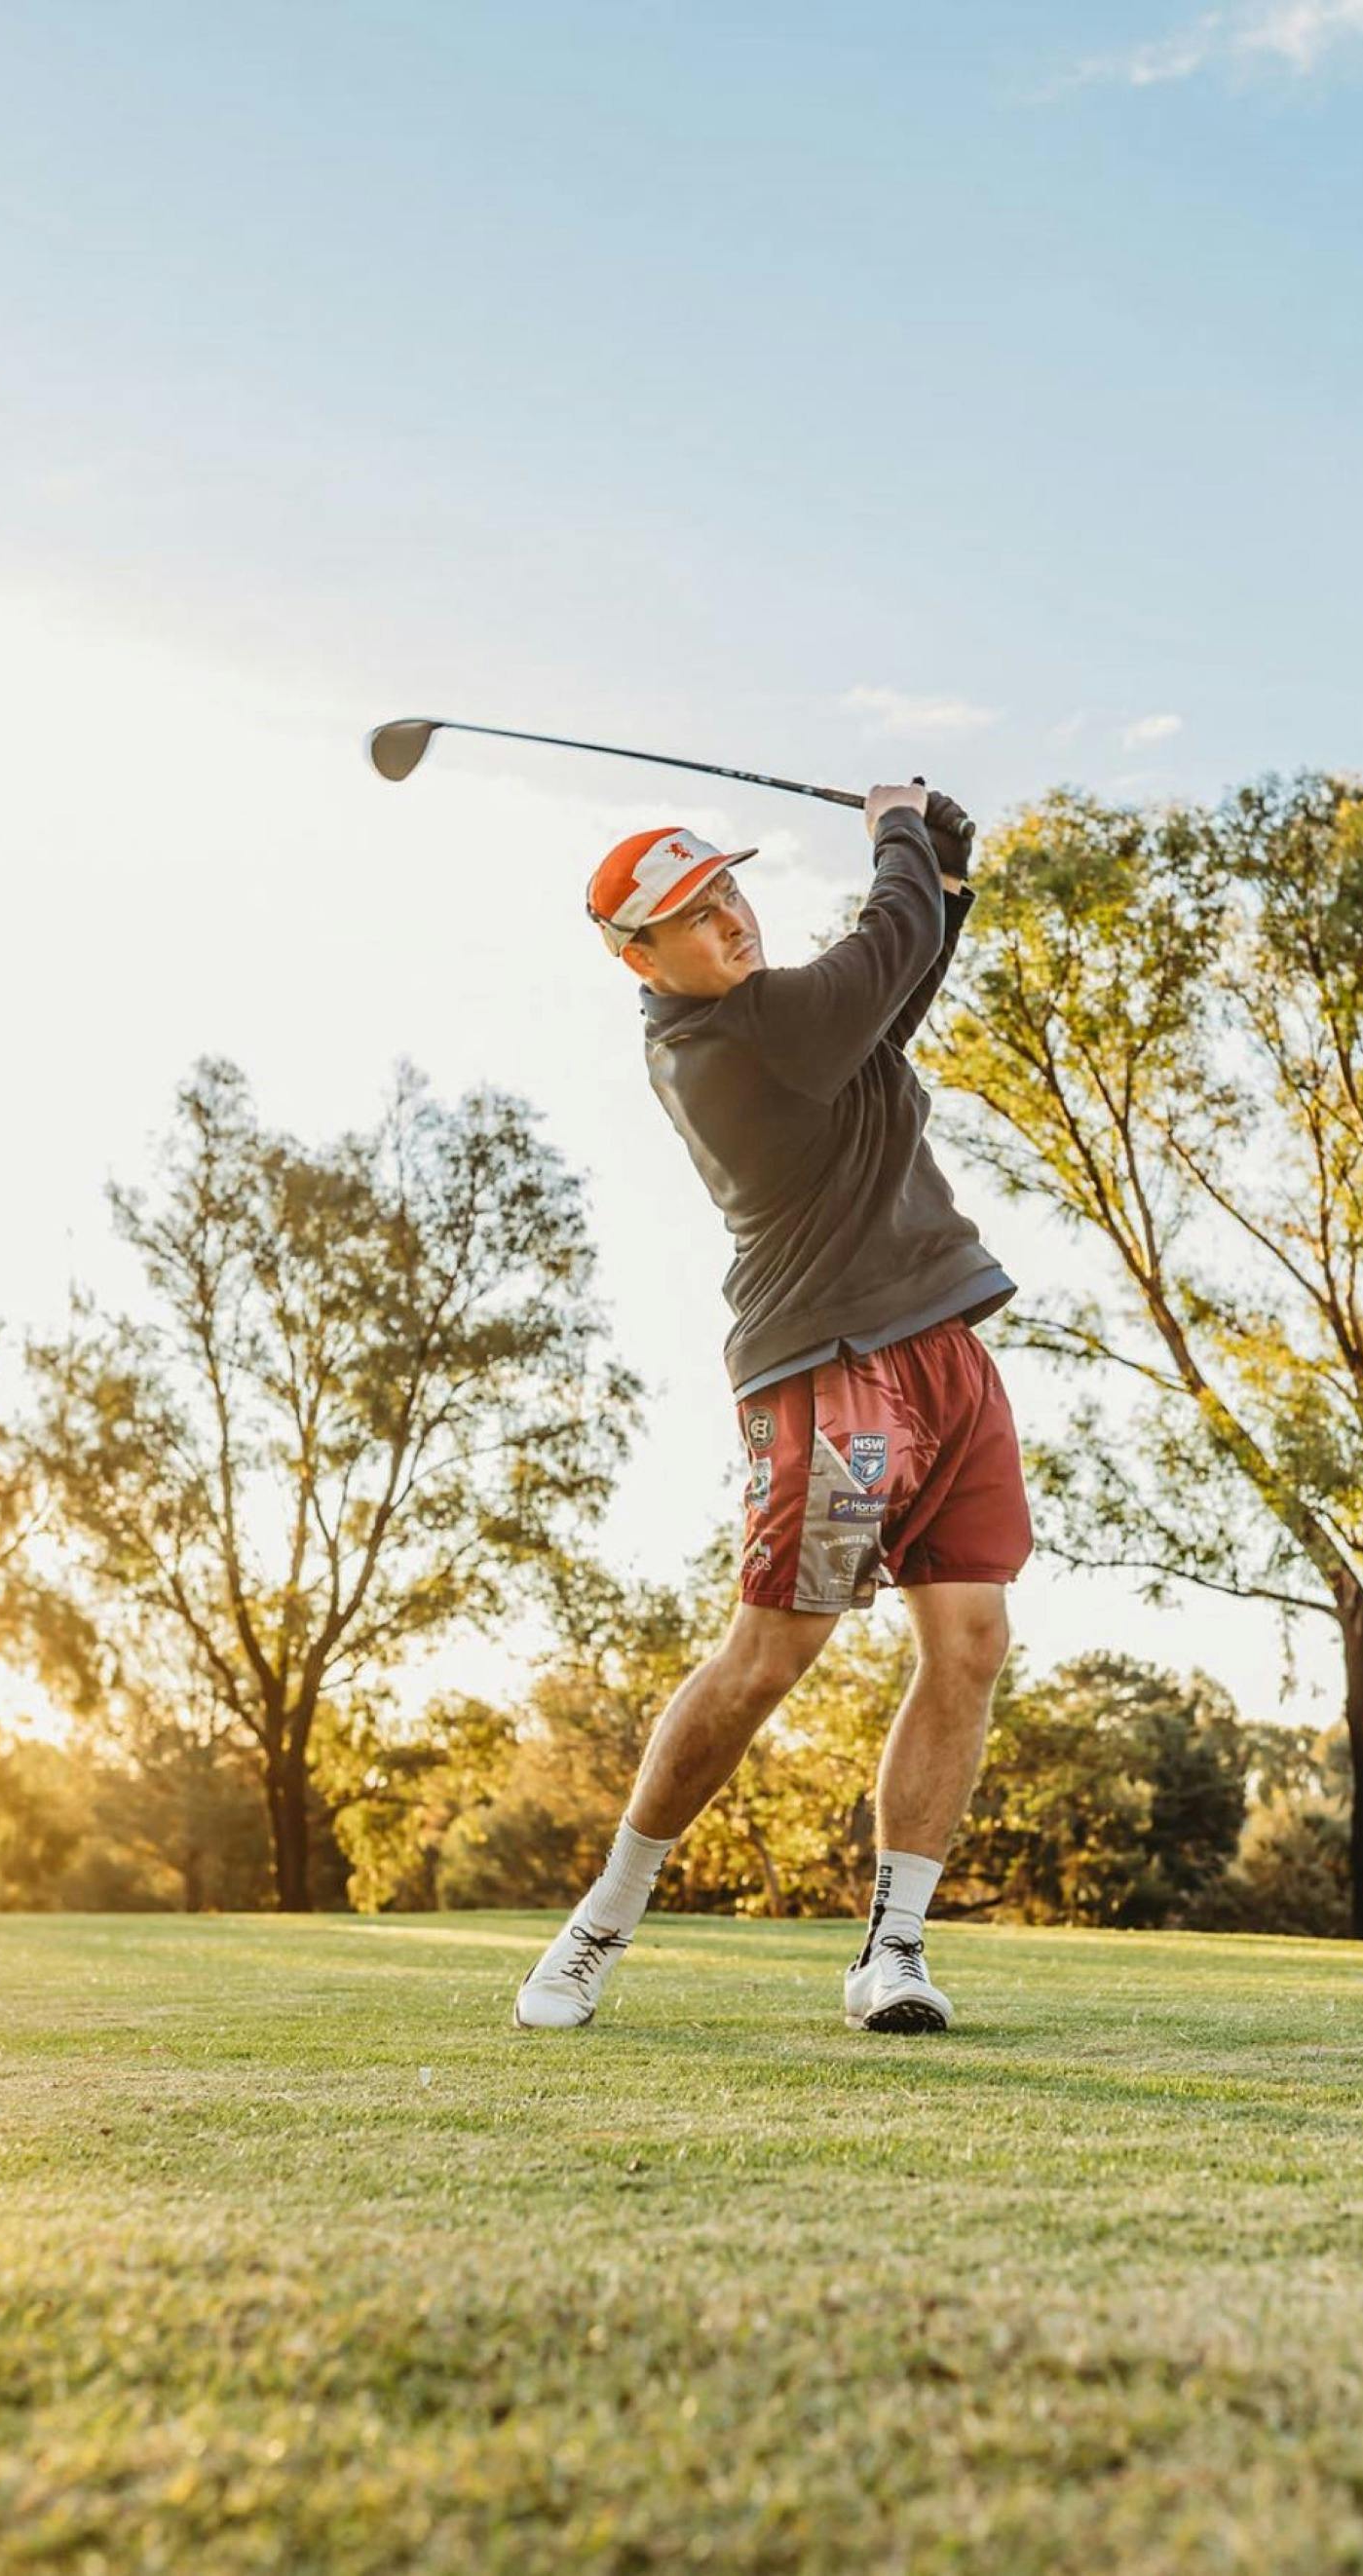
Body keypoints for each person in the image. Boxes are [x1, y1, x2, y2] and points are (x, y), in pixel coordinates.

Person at [514, 781, 1032, 2034]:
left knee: (969, 1643)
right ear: (637, 956)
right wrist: (900, 829)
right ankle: (597, 1930)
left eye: (729, 891)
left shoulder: (797, 1019)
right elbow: (876, 959)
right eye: (693, 916)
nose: (728, 920)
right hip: (831, 1365)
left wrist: (943, 874)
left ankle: (892, 1951)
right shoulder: (727, 1044)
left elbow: (900, 980)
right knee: (771, 1656)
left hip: (941, 1344)